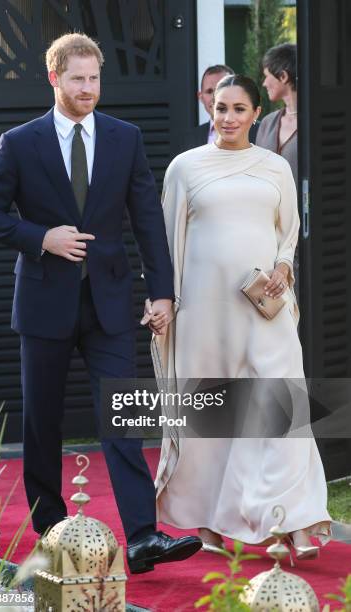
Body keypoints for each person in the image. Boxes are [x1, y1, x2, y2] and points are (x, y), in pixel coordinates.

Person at [0, 32, 202, 574]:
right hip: (43, 302)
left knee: (122, 415)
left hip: (111, 303)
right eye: (77, 78)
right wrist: (41, 237)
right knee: (42, 422)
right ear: (55, 78)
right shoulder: (19, 142)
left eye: (94, 78)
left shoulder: (126, 137)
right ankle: (53, 537)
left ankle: (143, 536)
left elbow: (147, 218)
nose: (88, 88)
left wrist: (162, 291)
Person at [147, 74, 330, 559]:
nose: (227, 118)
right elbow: (166, 245)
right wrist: (162, 301)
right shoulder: (184, 167)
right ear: (210, 107)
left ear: (255, 114)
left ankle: (292, 523)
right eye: (220, 107)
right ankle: (206, 523)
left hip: (264, 308)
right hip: (204, 311)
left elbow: (288, 234)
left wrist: (284, 269)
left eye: (238, 109)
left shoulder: (274, 168)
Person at [256, 44, 299, 298]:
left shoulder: (317, 120)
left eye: (267, 75)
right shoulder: (269, 122)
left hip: (306, 234)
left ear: (283, 76)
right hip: (269, 234)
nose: (264, 82)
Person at [179, 64, 259, 152]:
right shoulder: (189, 139)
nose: (216, 97)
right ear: (201, 97)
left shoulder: (262, 131)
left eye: (222, 89)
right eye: (209, 91)